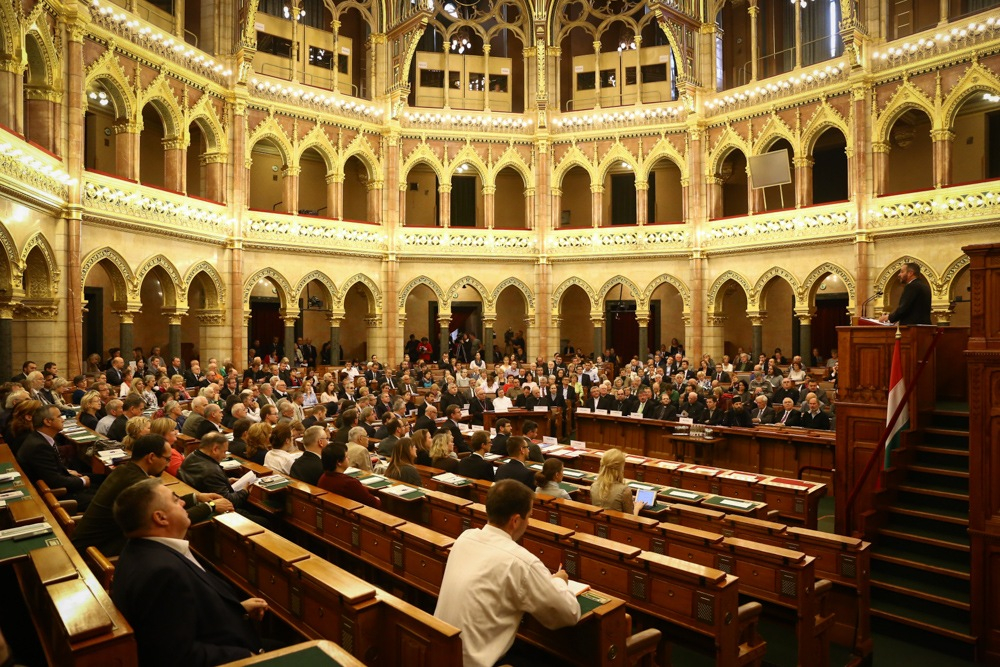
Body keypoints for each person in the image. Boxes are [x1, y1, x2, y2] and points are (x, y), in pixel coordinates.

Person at [111, 479, 269, 666]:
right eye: (175, 500)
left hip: (225, 635)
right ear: (160, 518)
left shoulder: (139, 549)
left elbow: (181, 614)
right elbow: (178, 655)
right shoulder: (161, 573)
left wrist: (237, 609)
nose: (183, 503)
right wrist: (247, 657)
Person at [434, 479, 580, 667]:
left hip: (441, 654)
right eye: (529, 516)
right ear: (515, 521)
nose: (529, 522)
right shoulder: (521, 561)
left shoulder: (465, 537)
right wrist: (559, 581)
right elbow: (568, 613)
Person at [72, 434, 231, 556]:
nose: (168, 465)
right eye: (167, 459)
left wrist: (197, 498)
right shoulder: (139, 484)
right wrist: (210, 506)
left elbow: (165, 506)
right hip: (99, 550)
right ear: (151, 457)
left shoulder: (125, 470)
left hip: (91, 543)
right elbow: (170, 520)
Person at [17, 404, 97, 509]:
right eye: (59, 417)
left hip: (61, 483)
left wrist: (67, 471)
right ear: (47, 422)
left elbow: (50, 469)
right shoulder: (39, 446)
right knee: (106, 497)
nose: (63, 420)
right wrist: (83, 481)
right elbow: (54, 481)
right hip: (59, 495)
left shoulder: (40, 438)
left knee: (101, 479)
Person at [178, 432, 251, 509]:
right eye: (224, 452)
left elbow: (203, 483)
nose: (225, 456)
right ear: (215, 449)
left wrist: (227, 481)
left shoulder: (192, 456)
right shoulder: (212, 470)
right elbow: (228, 502)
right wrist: (244, 491)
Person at [317, 442, 382, 507]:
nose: (349, 458)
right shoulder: (350, 483)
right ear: (339, 462)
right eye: (346, 456)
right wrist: (377, 499)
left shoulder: (323, 477)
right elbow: (374, 503)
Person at [589, 448, 646, 515]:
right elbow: (630, 518)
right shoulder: (624, 490)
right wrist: (637, 508)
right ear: (620, 469)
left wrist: (627, 498)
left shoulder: (593, 486)